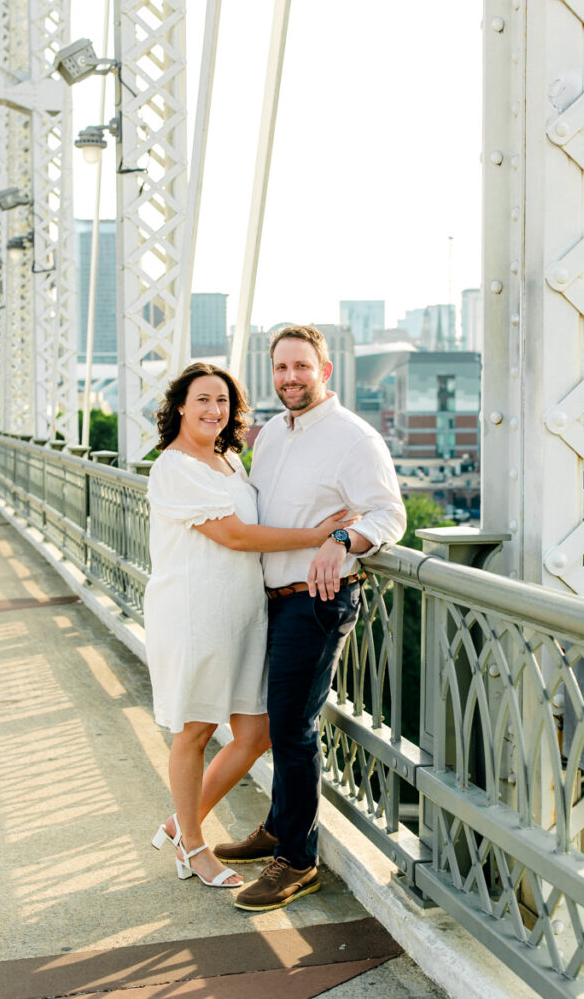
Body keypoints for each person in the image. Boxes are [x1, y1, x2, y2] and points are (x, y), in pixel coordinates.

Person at [213, 325, 406, 910]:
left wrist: (344, 538)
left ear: (325, 371)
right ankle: (278, 827)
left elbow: (389, 515)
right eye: (280, 368)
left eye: (301, 367)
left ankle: (297, 861)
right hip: (269, 598)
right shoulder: (272, 434)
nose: (290, 378)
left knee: (294, 729)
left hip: (317, 599)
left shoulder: (355, 439)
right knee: (279, 724)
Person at [145, 362, 355, 889]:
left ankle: (178, 824)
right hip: (194, 614)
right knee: (194, 730)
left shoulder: (229, 460)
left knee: (255, 732)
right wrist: (316, 536)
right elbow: (237, 536)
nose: (214, 410)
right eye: (202, 400)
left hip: (243, 614)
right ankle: (194, 846)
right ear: (179, 408)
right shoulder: (174, 468)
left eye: (223, 401)